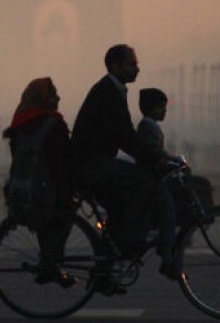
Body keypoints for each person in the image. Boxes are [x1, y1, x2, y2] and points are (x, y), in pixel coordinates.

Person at [70, 45, 178, 262]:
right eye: (132, 64)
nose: (137, 69)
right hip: (91, 163)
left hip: (92, 161)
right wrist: (155, 158)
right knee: (143, 181)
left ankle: (109, 258)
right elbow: (124, 135)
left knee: (120, 203)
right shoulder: (109, 92)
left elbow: (124, 135)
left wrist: (148, 155)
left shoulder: (111, 89)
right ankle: (130, 241)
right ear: (115, 66)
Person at [1, 77, 74, 287]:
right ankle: (51, 265)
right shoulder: (53, 123)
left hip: (25, 189)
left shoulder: (20, 123)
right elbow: (60, 160)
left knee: (43, 224)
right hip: (50, 185)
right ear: (43, 99)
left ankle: (48, 265)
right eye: (53, 94)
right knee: (63, 219)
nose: (57, 98)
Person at [136, 87, 180, 279]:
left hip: (151, 177)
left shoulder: (150, 126)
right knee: (168, 210)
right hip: (150, 178)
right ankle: (166, 256)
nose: (164, 111)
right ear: (151, 108)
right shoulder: (147, 127)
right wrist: (172, 160)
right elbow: (154, 152)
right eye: (161, 107)